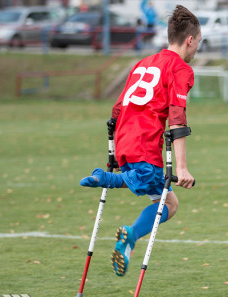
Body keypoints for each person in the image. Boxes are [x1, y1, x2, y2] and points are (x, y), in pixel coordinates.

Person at [79, 5, 201, 276]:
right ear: (190, 40)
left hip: (124, 140)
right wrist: (181, 168)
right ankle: (107, 180)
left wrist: (113, 150)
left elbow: (117, 110)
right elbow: (177, 119)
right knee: (158, 192)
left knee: (168, 203)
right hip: (145, 142)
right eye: (198, 44)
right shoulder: (180, 69)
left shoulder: (143, 63)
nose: (196, 50)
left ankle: (130, 238)